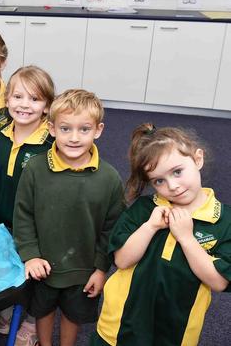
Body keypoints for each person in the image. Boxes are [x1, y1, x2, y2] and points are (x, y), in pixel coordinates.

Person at [93, 124, 231, 346]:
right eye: (159, 181)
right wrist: (150, 227)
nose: (173, 186)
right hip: (120, 324)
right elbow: (121, 260)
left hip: (177, 332)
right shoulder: (144, 208)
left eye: (177, 171)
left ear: (197, 159)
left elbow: (218, 282)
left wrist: (186, 238)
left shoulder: (224, 221)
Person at [14, 89, 126, 346]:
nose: (74, 138)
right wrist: (30, 255)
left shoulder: (109, 178)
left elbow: (112, 229)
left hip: (84, 269)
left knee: (73, 315)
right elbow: (23, 215)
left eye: (84, 129)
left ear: (98, 130)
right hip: (44, 265)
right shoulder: (35, 169)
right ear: (51, 128)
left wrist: (100, 269)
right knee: (42, 310)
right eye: (65, 129)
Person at [0, 65, 55, 228]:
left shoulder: (52, 145)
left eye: (34, 99)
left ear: (47, 106)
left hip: (33, 229)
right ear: (7, 100)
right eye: (18, 97)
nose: (25, 104)